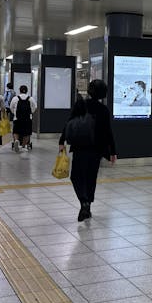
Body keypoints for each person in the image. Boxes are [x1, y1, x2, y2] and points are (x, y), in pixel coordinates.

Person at [59, 79, 117, 221]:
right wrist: (113, 151)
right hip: (97, 149)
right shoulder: (103, 110)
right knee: (91, 177)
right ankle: (87, 205)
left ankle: (84, 202)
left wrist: (62, 141)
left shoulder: (80, 104)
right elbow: (108, 132)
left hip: (80, 146)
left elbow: (69, 123)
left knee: (76, 176)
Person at [10, 85, 37, 152]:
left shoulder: (15, 98)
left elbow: (11, 107)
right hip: (27, 119)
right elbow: (35, 107)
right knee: (27, 133)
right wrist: (31, 112)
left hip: (17, 118)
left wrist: (14, 113)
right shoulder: (30, 98)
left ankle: (16, 140)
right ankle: (23, 146)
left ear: (20, 90)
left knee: (16, 131)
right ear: (27, 91)